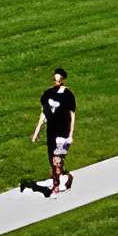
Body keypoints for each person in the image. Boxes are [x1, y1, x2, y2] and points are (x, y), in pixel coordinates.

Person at [32, 68, 77, 196]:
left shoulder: (68, 95)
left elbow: (72, 115)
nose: (57, 81)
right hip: (51, 132)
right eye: (55, 79)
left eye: (59, 79)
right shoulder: (47, 94)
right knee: (52, 161)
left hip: (62, 134)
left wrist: (70, 135)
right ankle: (65, 177)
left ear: (63, 80)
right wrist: (36, 132)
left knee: (56, 161)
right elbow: (43, 114)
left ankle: (55, 188)